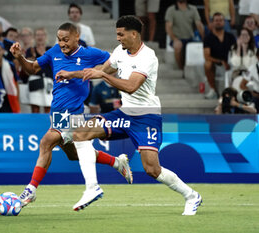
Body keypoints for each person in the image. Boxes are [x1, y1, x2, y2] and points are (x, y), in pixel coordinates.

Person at [57, 15, 202, 216]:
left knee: (152, 169)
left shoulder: (148, 57)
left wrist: (105, 76)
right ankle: (92, 188)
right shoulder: (119, 52)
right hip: (125, 113)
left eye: (121, 34)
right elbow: (99, 70)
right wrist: (72, 74)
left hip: (146, 116)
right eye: (116, 34)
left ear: (134, 34)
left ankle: (191, 196)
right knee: (81, 134)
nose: (117, 38)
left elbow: (132, 86)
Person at [10, 22, 133, 211]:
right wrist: (20, 58)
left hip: (73, 112)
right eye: (59, 39)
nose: (62, 43)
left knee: (46, 142)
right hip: (57, 112)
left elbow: (114, 64)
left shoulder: (90, 54)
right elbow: (32, 69)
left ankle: (31, 189)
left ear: (77, 37)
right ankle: (117, 162)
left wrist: (82, 75)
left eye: (66, 39)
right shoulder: (53, 52)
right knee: (75, 154)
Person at [204, 12, 236, 99]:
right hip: (216, 62)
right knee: (207, 64)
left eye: (221, 20)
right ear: (212, 22)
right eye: (216, 20)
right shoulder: (208, 38)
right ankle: (213, 90)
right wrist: (220, 61)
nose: (218, 22)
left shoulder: (230, 37)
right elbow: (207, 56)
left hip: (230, 61)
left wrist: (230, 62)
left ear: (224, 22)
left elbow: (235, 51)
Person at [165, 0, 205, 70]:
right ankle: (181, 69)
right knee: (177, 45)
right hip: (177, 38)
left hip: (190, 38)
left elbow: (198, 24)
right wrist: (174, 39)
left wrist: (204, 39)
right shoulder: (171, 9)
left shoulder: (193, 9)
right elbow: (168, 27)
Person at [26, 28, 52, 113]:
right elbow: (28, 67)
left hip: (49, 80)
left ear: (45, 37)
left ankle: (48, 125)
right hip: (35, 79)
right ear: (34, 37)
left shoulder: (50, 49)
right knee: (35, 107)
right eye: (38, 35)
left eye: (42, 35)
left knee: (48, 105)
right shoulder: (30, 50)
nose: (40, 37)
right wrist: (32, 57)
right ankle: (35, 125)